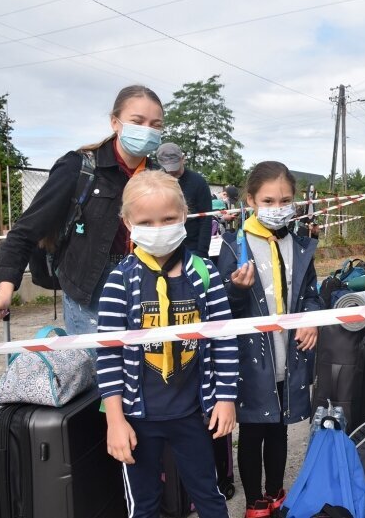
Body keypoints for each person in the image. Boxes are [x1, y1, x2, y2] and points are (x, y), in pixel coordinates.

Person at [95, 171, 238, 518]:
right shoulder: (120, 281)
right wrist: (115, 420)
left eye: (169, 219)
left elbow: (224, 339)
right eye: (146, 221)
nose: (158, 228)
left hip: (193, 415)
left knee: (209, 495)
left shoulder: (205, 273)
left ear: (185, 214)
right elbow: (108, 355)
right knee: (143, 504)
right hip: (137, 419)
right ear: (128, 223)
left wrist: (226, 398)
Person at [0, 85, 164, 334]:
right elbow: (26, 231)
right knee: (98, 369)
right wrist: (4, 291)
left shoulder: (157, 177)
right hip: (89, 294)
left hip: (147, 287)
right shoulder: (79, 167)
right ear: (115, 122)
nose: (146, 130)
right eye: (137, 121)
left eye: (155, 125)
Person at [216, 161, 322, 518]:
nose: (278, 209)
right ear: (250, 199)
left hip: (287, 357)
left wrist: (310, 318)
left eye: (286, 200)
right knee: (252, 432)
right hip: (250, 361)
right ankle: (254, 502)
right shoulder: (232, 246)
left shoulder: (301, 245)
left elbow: (310, 291)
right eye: (269, 200)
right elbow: (218, 309)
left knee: (279, 428)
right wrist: (235, 290)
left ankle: (276, 493)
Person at [156, 142, 212, 258]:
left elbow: (206, 219)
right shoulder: (156, 182)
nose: (171, 172)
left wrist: (202, 253)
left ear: (183, 159)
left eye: (174, 166)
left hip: (192, 248)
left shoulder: (198, 182)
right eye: (167, 168)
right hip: (163, 247)